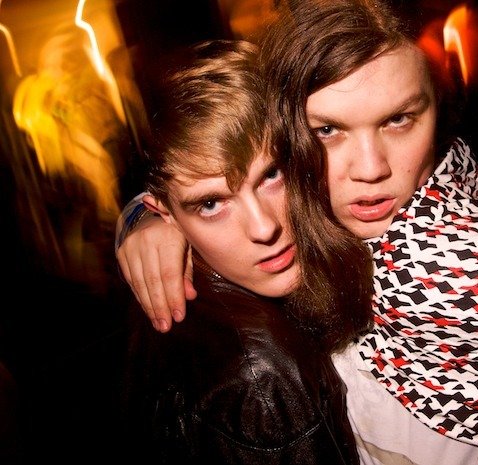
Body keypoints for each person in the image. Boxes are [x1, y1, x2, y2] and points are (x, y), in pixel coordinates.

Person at [117, 1, 478, 463]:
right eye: (327, 130)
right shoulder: (366, 204)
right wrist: (146, 215)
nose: (372, 169)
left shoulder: (437, 260)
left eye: (399, 119)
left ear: (436, 111)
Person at [121, 38, 375, 465]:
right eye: (211, 204)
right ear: (166, 214)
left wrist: (132, 218)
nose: (264, 228)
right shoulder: (262, 381)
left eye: (271, 175)